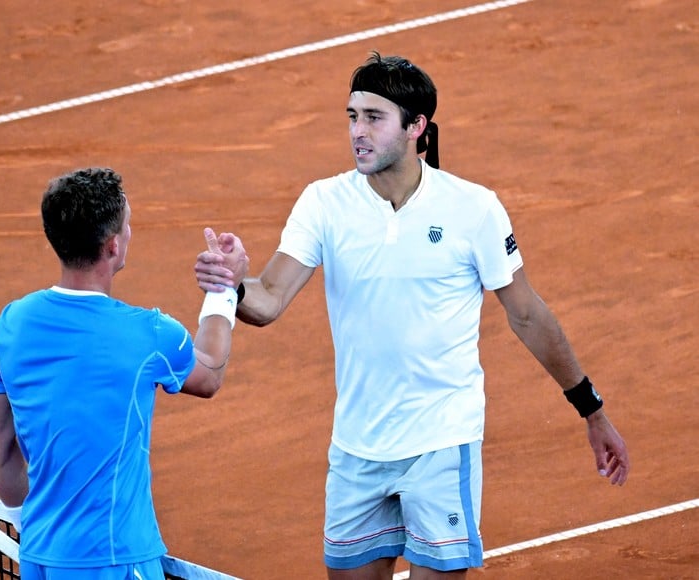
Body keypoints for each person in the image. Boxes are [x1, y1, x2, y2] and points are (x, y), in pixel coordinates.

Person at [194, 52, 630, 580]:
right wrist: (232, 282)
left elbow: (529, 317)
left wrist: (592, 410)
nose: (358, 131)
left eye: (374, 118)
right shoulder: (324, 203)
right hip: (358, 447)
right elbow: (266, 299)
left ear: (416, 126)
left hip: (442, 442)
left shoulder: (474, 209)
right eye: (352, 116)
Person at [0, 167, 248, 580]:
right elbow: (208, 371)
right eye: (128, 224)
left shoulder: (12, 323)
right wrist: (223, 290)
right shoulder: (149, 334)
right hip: (116, 561)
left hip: (39, 558)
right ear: (113, 246)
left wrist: (30, 525)